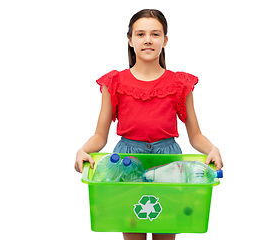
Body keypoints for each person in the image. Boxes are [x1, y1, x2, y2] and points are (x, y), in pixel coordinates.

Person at [74, 9, 223, 240]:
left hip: (168, 164)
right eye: (140, 34)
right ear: (130, 40)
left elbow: (195, 135)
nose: (147, 40)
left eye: (155, 34)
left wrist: (212, 149)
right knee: (133, 225)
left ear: (165, 41)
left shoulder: (179, 84)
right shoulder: (115, 82)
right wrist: (83, 149)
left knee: (165, 228)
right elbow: (100, 135)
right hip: (126, 164)